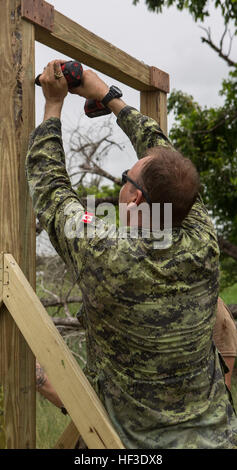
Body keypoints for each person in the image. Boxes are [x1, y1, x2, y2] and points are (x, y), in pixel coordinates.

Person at [26, 60, 237, 449]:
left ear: (134, 197)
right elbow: (166, 160)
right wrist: (108, 97)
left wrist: (53, 104)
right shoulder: (203, 240)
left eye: (125, 176)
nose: (122, 180)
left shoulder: (108, 253)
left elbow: (52, 191)